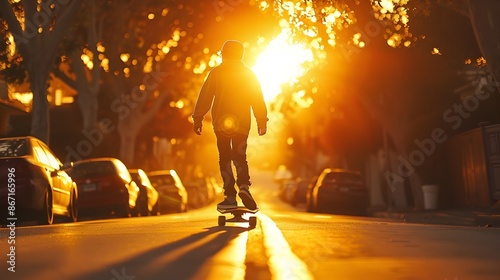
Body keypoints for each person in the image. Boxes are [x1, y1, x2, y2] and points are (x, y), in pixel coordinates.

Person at [192, 40, 268, 210]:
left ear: (223, 54)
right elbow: (257, 98)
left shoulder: (216, 73)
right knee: (240, 156)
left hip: (221, 124)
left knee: (225, 157)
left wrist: (198, 119)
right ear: (241, 55)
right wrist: (261, 120)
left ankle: (230, 196)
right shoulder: (248, 74)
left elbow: (205, 96)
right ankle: (244, 187)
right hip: (241, 123)